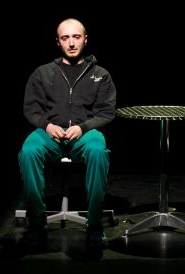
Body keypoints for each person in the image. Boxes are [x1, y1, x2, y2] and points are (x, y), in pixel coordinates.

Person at [18, 18, 116, 247]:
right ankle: (37, 223)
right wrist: (47, 125)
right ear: (58, 42)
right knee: (28, 151)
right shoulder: (43, 73)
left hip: (85, 133)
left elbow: (106, 112)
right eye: (65, 38)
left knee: (98, 151)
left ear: (85, 39)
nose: (71, 43)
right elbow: (31, 109)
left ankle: (94, 225)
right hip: (49, 133)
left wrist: (82, 128)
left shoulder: (100, 74)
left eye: (76, 37)